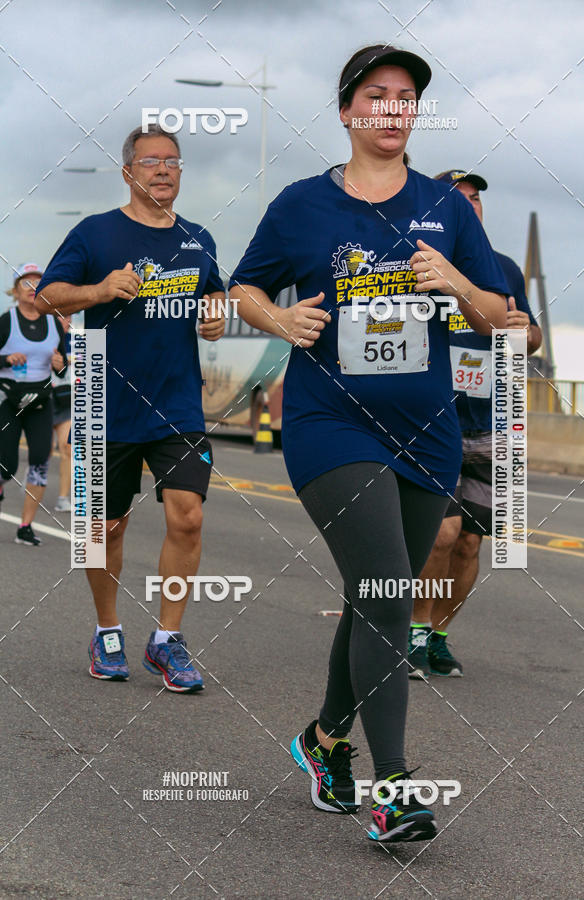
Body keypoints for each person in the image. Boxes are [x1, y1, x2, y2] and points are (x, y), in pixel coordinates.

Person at [229, 45, 509, 843]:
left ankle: (324, 741)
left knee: (373, 595)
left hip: (428, 433)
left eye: (406, 96)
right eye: (378, 94)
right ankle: (393, 788)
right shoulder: (301, 204)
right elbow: (244, 287)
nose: (393, 108)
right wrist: (279, 318)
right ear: (348, 109)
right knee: (387, 592)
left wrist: (457, 283)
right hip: (331, 424)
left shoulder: (445, 207)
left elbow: (498, 314)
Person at [35, 124, 225, 692]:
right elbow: (47, 295)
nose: (163, 169)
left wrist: (214, 316)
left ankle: (168, 639)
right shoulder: (95, 233)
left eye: (173, 161)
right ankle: (107, 629)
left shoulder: (198, 239)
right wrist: (99, 290)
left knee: (188, 516)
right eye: (150, 161)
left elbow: (213, 292)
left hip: (177, 404)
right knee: (103, 531)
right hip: (104, 400)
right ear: (127, 172)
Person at [408, 170, 542, 680]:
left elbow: (532, 337)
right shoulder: (417, 262)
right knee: (440, 535)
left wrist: (523, 332)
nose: (471, 204)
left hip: (492, 426)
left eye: (476, 198)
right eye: (458, 198)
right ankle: (414, 631)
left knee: (469, 542)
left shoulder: (502, 269)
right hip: (433, 421)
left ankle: (438, 638)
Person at [0, 263, 68, 546]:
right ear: (15, 291)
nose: (32, 288)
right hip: (8, 400)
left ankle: (25, 526)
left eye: (38, 283)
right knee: (6, 466)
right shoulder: (6, 321)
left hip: (40, 402)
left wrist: (60, 365)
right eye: (26, 283)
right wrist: (6, 359)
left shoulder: (54, 322)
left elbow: (62, 367)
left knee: (40, 461)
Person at [51, 313, 73, 512]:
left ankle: (63, 498)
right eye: (62, 316)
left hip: (65, 399)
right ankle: (32, 480)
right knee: (43, 452)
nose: (67, 321)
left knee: (67, 448)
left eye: (69, 316)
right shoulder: (43, 335)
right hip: (42, 401)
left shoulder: (75, 340)